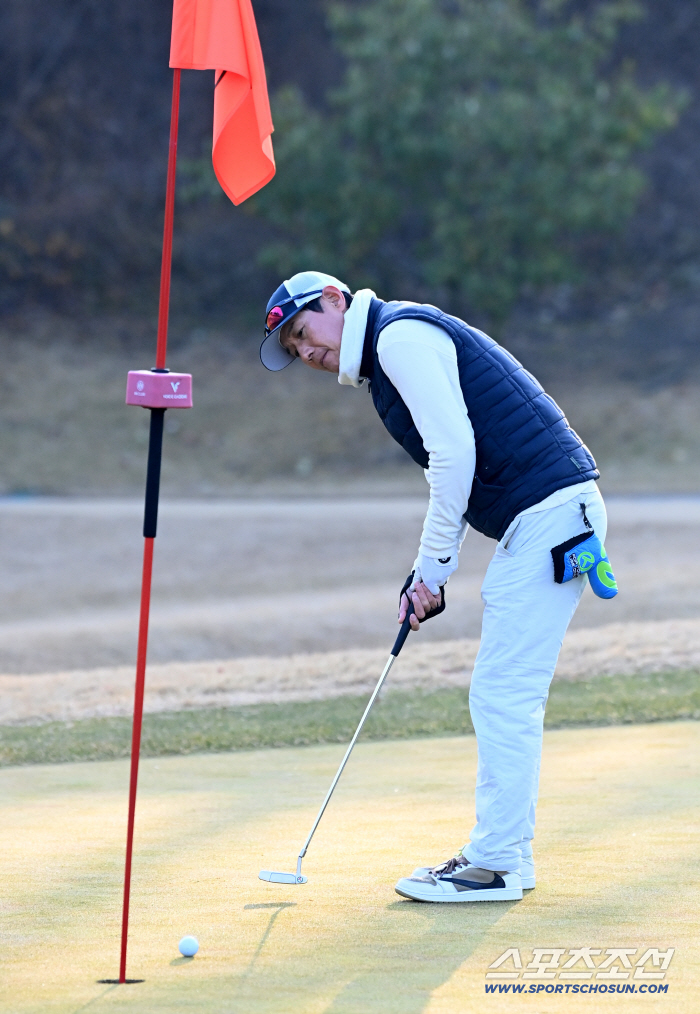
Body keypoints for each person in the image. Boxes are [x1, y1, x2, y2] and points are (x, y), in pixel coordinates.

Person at [260, 270, 612, 903]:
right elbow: (466, 463)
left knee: (503, 692)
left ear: (335, 301)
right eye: (292, 349)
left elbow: (454, 456)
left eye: (302, 332)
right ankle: (507, 859)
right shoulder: (389, 356)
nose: (305, 352)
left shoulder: (400, 338)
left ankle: (496, 864)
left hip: (551, 516)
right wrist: (429, 574)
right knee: (504, 692)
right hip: (543, 517)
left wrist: (433, 569)